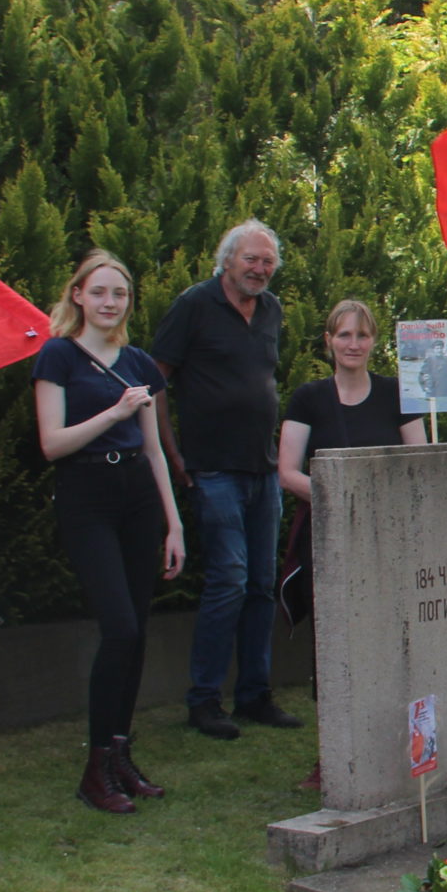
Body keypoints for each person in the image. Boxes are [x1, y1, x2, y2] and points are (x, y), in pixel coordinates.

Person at [34, 251, 185, 814]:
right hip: (87, 496)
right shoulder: (58, 356)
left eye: (118, 294)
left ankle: (120, 754)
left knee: (138, 632)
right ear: (78, 295)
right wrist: (113, 413)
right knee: (118, 627)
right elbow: (51, 443)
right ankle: (95, 767)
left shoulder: (139, 362)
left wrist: (174, 525)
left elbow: (154, 449)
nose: (108, 303)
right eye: (98, 292)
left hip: (138, 499)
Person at [151, 220, 296, 740]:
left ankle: (255, 694)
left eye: (267, 261)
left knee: (261, 586)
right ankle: (205, 700)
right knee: (228, 582)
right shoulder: (194, 305)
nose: (259, 269)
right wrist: (171, 452)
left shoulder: (273, 311)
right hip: (211, 470)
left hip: (262, 471)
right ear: (227, 261)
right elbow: (154, 380)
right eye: (250, 260)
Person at [281, 298, 428, 491]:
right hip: (330, 514)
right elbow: (287, 474)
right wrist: (339, 496)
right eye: (344, 335)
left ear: (373, 341)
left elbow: (420, 464)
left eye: (362, 336)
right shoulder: (307, 398)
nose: (353, 345)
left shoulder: (399, 393)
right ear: (329, 340)